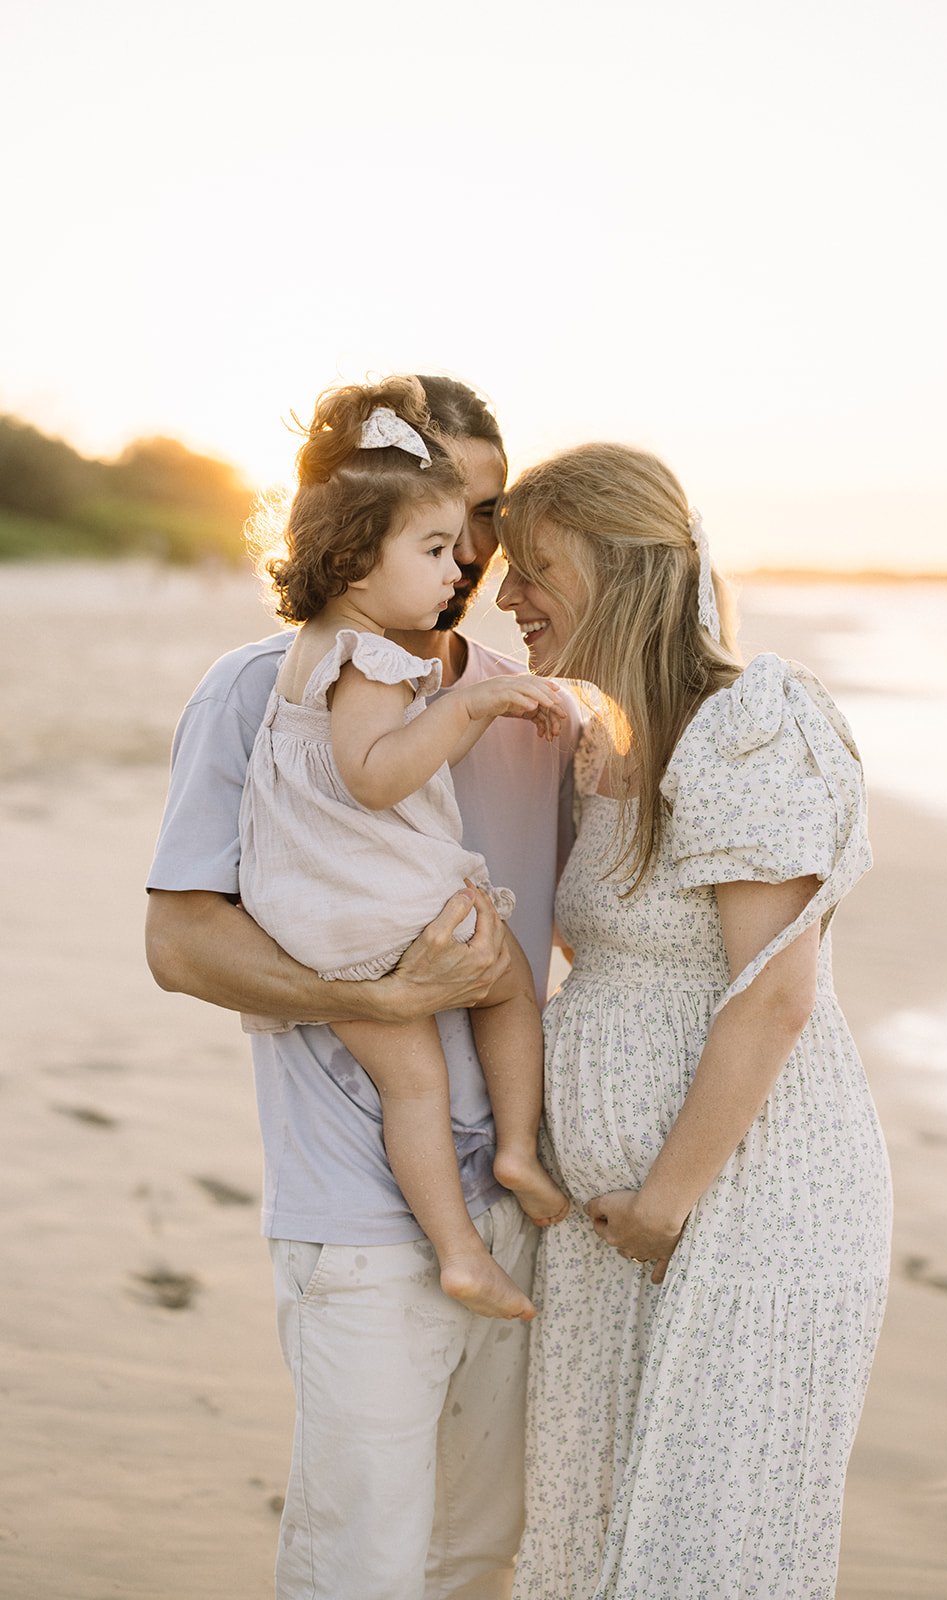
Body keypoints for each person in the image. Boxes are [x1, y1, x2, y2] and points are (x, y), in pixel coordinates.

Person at [145, 375, 582, 1600]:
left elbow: (584, 938)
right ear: (356, 520)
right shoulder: (256, 692)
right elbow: (180, 943)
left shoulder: (524, 705)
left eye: (486, 510)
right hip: (355, 1213)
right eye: (443, 511)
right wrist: (383, 1002)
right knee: (362, 1568)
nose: (474, 544)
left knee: (473, 1557)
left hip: (524, 1202)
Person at [495, 442, 892, 1599]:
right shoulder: (593, 743)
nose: (507, 595)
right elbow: (620, 958)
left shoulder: (742, 723)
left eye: (533, 567)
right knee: (601, 1527)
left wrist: (665, 1203)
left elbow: (773, 992)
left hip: (747, 1205)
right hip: (614, 1232)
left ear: (619, 566)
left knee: (704, 1548)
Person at [238, 377, 568, 1324]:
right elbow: (374, 777)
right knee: (504, 985)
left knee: (412, 1081)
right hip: (373, 911)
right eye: (433, 541)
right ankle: (514, 1148)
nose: (462, 559)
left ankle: (462, 1250)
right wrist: (462, 706)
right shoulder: (376, 663)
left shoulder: (313, 652)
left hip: (315, 916)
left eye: (480, 519)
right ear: (355, 560)